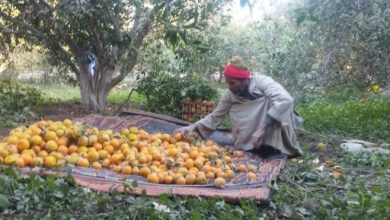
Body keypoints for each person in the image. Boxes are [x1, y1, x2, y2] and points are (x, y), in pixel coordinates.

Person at [175, 57, 303, 157]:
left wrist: (261, 130)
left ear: (244, 80)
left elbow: (285, 100)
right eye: (227, 83)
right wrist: (193, 127)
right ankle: (250, 145)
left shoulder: (262, 82)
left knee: (273, 102)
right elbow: (215, 117)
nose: (229, 86)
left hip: (269, 133)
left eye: (233, 83)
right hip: (248, 138)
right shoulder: (229, 94)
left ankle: (273, 147)